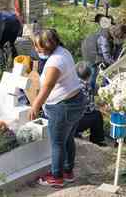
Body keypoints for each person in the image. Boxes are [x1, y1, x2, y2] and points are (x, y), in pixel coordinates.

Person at [29, 29, 87, 188]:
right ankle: (68, 172)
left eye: (38, 47)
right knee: (68, 138)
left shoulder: (55, 62)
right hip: (76, 101)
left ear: (47, 46)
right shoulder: (63, 51)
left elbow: (47, 87)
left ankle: (56, 176)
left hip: (63, 106)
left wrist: (35, 105)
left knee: (57, 143)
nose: (36, 49)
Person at [81, 24, 126, 90]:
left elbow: (118, 51)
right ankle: (90, 90)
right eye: (123, 38)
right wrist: (115, 65)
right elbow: (107, 56)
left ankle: (105, 85)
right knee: (93, 72)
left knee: (107, 66)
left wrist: (117, 62)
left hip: (100, 49)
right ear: (118, 36)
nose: (124, 41)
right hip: (90, 50)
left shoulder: (118, 37)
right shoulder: (105, 38)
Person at [75, 62, 105, 146]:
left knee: (94, 113)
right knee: (97, 116)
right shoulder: (86, 86)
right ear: (89, 76)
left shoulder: (74, 83)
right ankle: (97, 140)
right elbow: (88, 107)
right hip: (78, 120)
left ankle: (76, 133)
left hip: (69, 119)